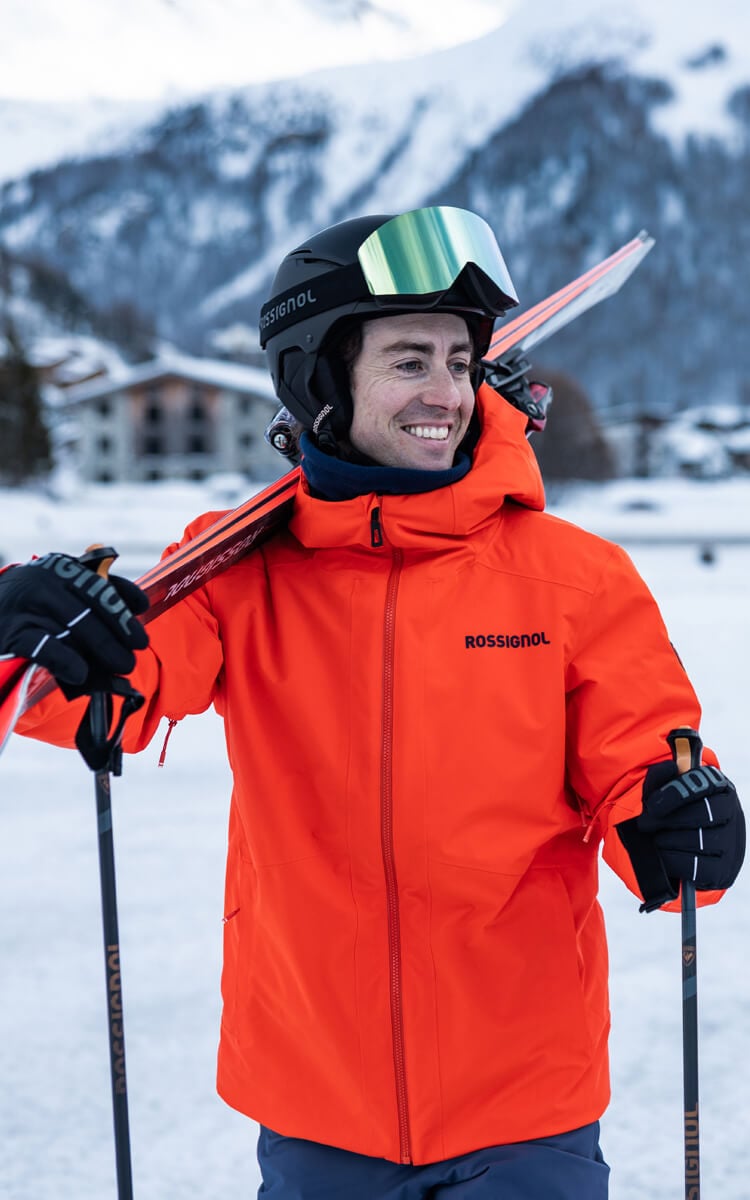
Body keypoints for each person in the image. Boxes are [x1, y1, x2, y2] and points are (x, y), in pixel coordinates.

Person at [0, 206, 744, 1199]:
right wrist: (31, 618)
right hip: (316, 1102)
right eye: (409, 361)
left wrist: (678, 819)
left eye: (460, 361)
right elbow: (98, 696)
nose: (447, 393)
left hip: (525, 1106)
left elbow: (645, 758)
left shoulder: (576, 579)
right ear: (319, 380)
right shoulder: (238, 573)